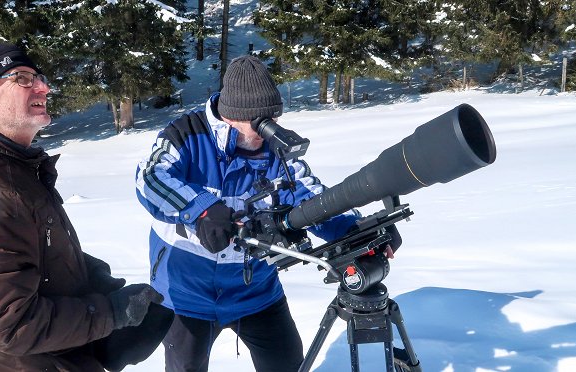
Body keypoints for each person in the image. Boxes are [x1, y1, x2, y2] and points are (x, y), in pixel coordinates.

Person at [135, 55, 400, 372]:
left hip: (255, 289)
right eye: (260, 123)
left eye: (273, 119)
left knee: (287, 364)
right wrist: (201, 209)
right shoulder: (186, 135)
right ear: (232, 116)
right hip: (186, 293)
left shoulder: (274, 145)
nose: (268, 131)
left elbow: (310, 194)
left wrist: (355, 231)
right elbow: (150, 178)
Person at [0, 41, 170, 372]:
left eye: (40, 77)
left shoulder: (9, 169)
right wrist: (109, 313)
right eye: (22, 78)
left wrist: (96, 282)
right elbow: (10, 325)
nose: (44, 86)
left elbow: (36, 254)